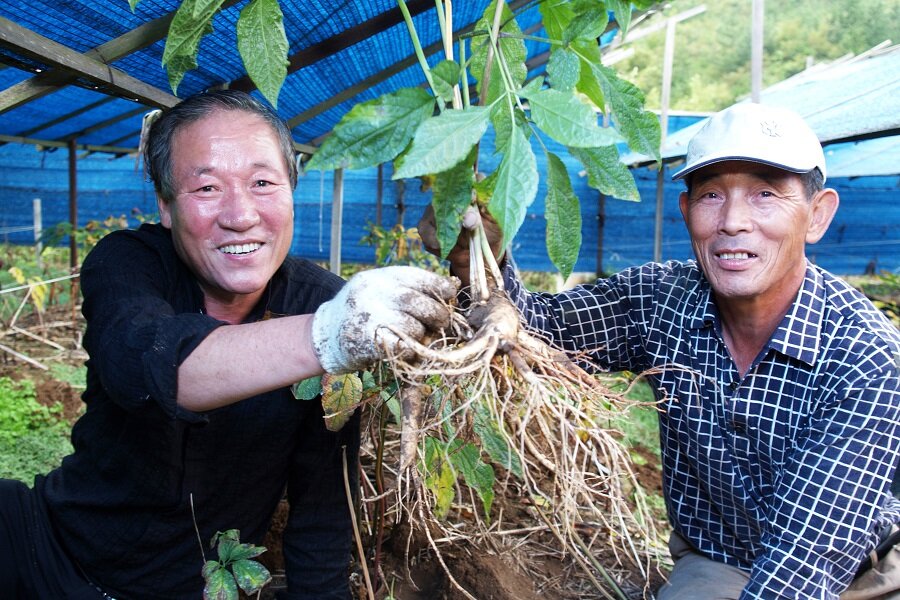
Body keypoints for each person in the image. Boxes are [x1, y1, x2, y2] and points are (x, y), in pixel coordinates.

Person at [419, 103, 900, 599]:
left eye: (765, 195)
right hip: (723, 562)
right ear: (687, 211)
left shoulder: (863, 354)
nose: (733, 221)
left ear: (817, 215)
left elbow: (806, 558)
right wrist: (476, 255)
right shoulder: (660, 302)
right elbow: (538, 329)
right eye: (712, 195)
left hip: (860, 572)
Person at [0, 89, 457, 599]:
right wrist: (329, 334)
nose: (240, 215)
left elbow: (321, 508)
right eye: (207, 188)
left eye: (263, 183)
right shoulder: (129, 262)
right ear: (167, 206)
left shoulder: (321, 300)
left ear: (292, 192)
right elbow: (147, 362)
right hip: (48, 547)